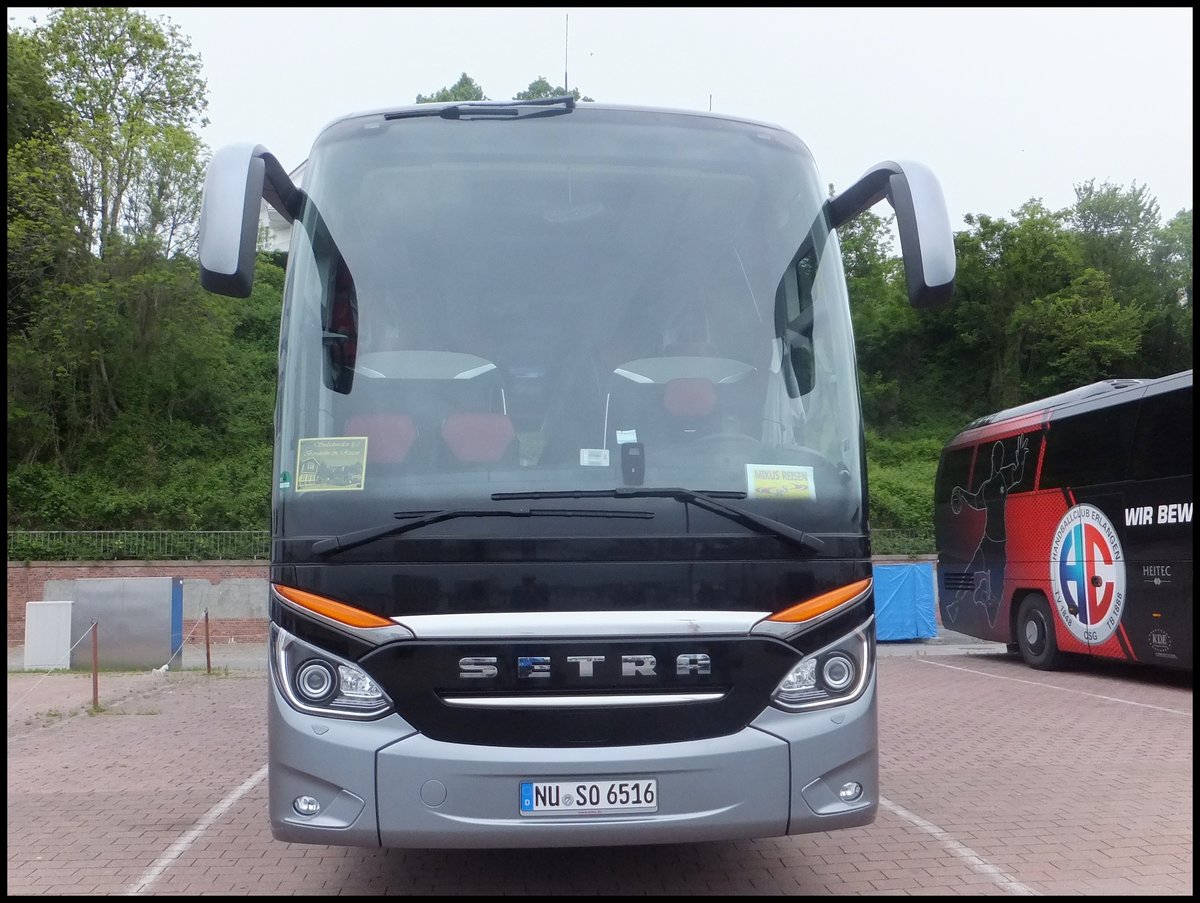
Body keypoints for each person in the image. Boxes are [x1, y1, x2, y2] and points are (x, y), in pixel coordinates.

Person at [946, 435, 1029, 628]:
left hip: (998, 542)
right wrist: (961, 493)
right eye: (995, 457)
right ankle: (958, 603)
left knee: (997, 581)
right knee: (970, 571)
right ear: (993, 460)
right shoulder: (987, 485)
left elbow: (1018, 475)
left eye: (999, 456)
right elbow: (976, 502)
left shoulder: (1004, 476)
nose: (997, 460)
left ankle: (988, 600)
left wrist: (1022, 455)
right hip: (987, 539)